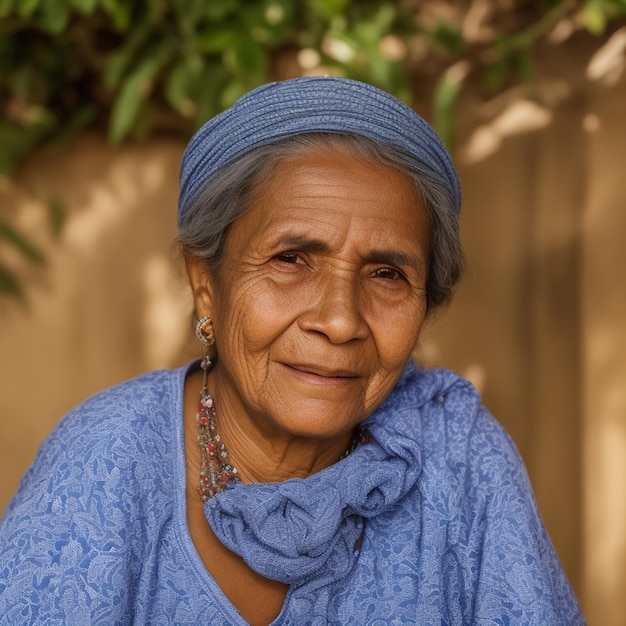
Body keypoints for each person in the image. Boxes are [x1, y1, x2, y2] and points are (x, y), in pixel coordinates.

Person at [0, 76, 584, 625]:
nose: (339, 321)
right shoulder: (106, 462)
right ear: (206, 284)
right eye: (291, 259)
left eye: (386, 274)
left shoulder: (457, 454)